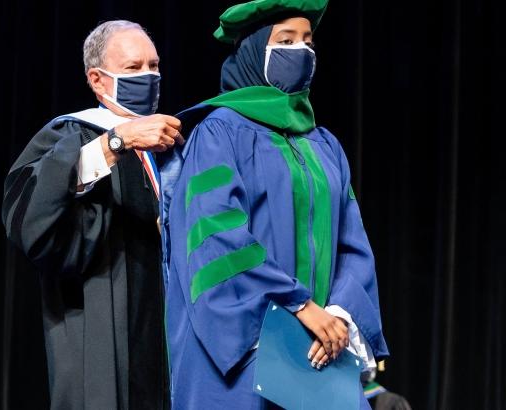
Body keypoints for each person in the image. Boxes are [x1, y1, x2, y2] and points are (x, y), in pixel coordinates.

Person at [158, 1, 389, 408]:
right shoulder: (219, 133)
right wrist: (297, 305)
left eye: (308, 41)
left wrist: (338, 316)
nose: (301, 51)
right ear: (253, 51)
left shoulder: (325, 145)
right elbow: (216, 241)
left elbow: (353, 245)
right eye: (285, 40)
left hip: (320, 351)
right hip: (245, 352)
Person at [2, 20, 182, 410]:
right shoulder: (72, 136)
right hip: (102, 322)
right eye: (134, 68)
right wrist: (117, 141)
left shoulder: (166, 147)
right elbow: (31, 219)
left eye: (154, 66)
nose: (149, 77)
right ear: (98, 81)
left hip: (168, 331)